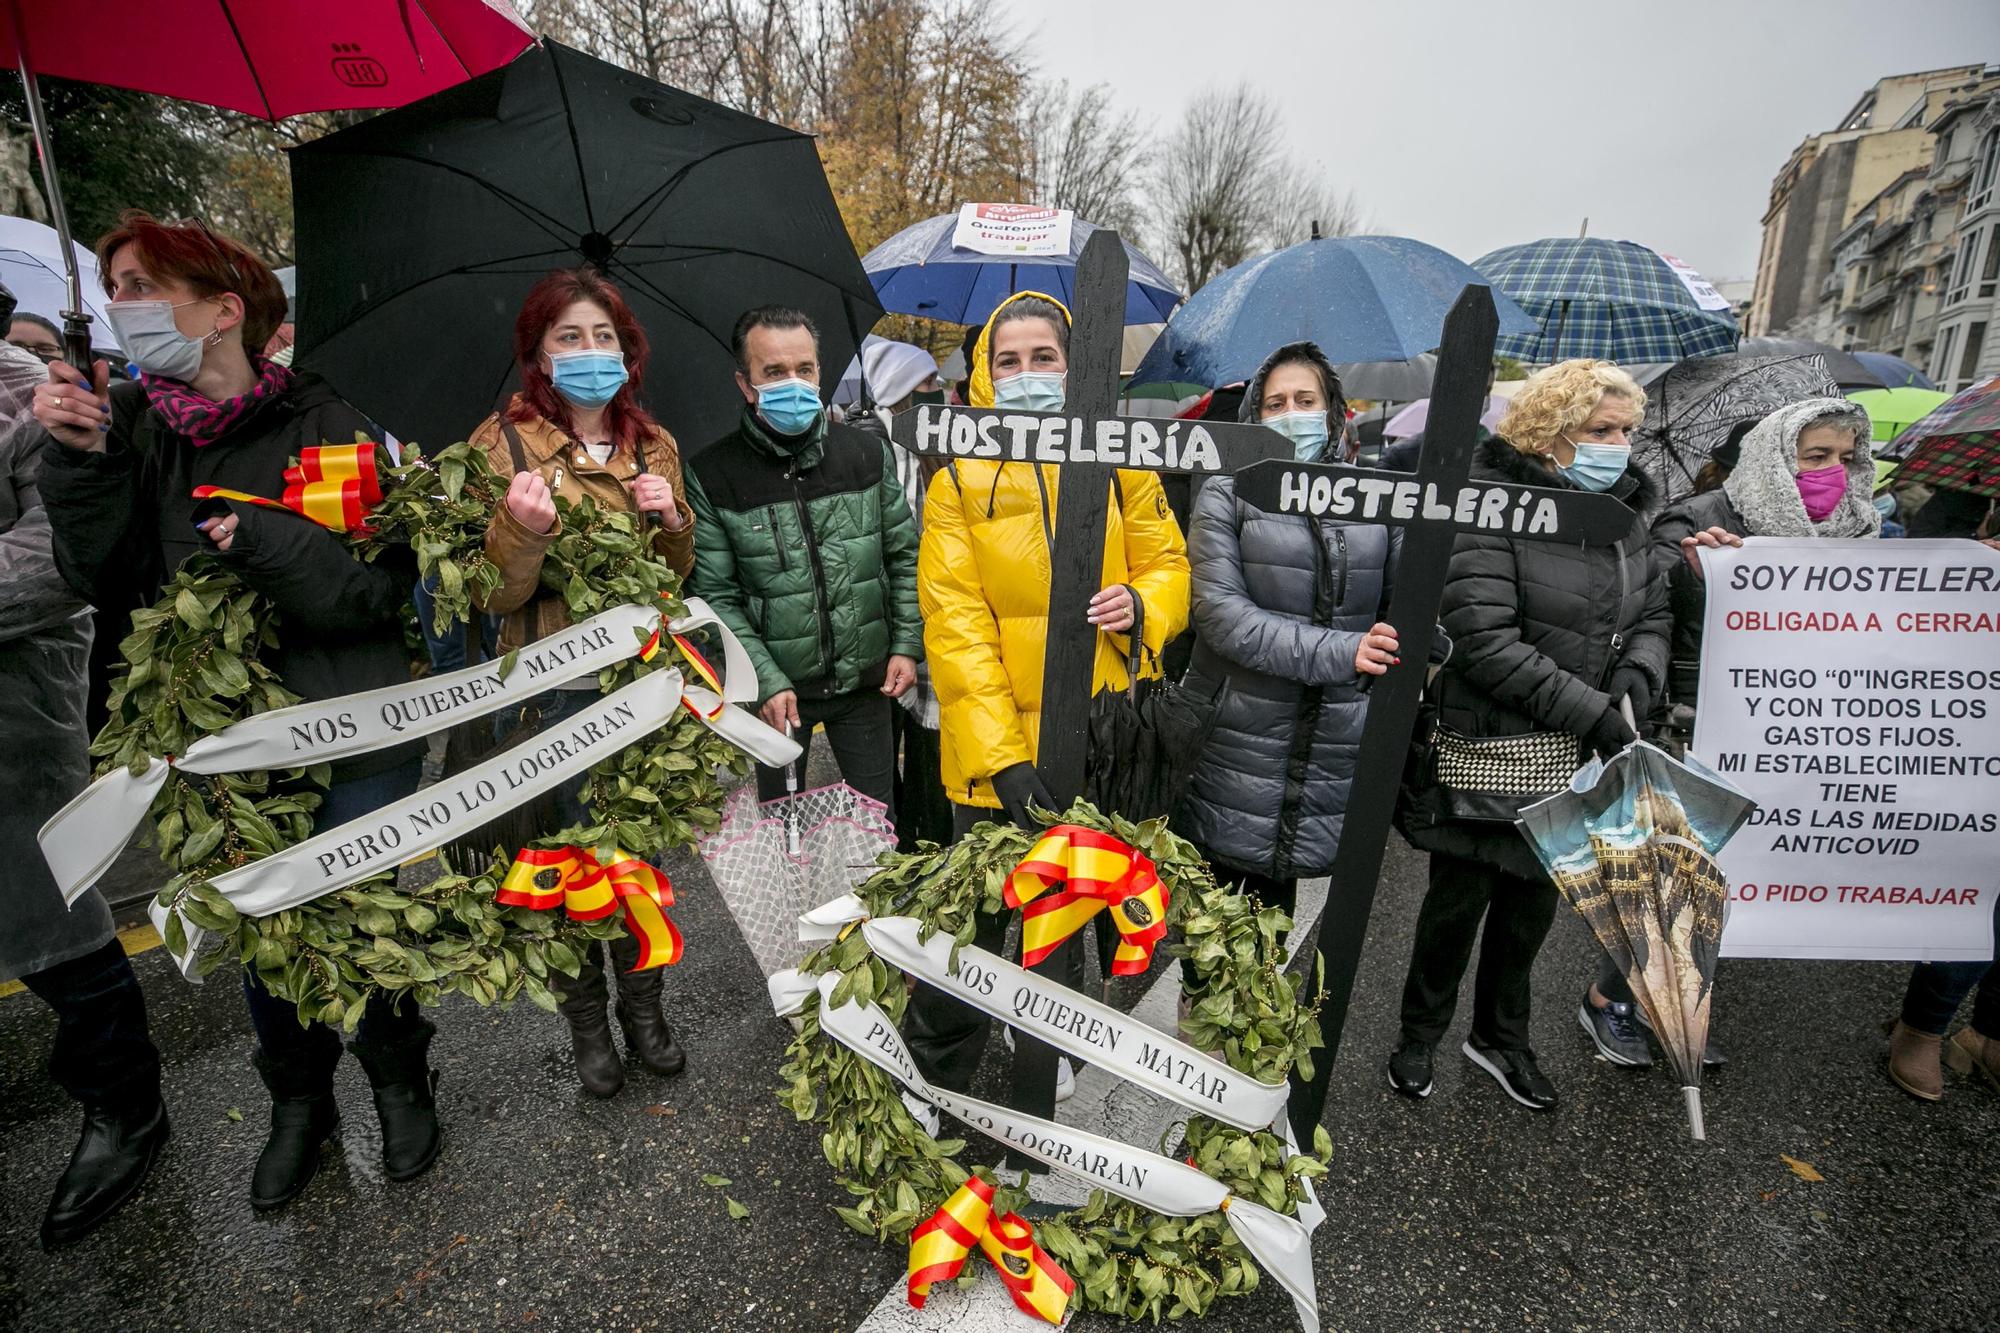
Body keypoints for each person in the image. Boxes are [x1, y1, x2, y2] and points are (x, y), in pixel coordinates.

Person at [32, 212, 438, 1209]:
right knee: (262, 926)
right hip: (215, 748)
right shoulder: (123, 426)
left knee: (350, 911)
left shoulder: (327, 420)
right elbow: (104, 580)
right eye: (114, 284)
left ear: (222, 310)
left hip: (347, 723)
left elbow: (370, 591)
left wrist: (257, 538)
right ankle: (299, 1101)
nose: (117, 304)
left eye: (139, 284)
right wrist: (78, 467)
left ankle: (397, 1073)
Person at [905, 291, 1189, 1110]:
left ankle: (1048, 1037)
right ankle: (935, 1073)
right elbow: (954, 629)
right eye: (1010, 360)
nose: (1028, 374)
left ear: (1074, 367)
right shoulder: (957, 479)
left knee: (1069, 904)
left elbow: (1170, 564)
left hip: (1097, 735)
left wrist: (1145, 604)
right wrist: (1002, 757)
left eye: (1044, 358)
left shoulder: (1121, 459)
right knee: (974, 926)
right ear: (984, 376)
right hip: (994, 760)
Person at [1389, 359, 1669, 1111]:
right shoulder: (1489, 507)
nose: (1620, 444)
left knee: (1531, 912)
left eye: (1627, 430)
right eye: (1601, 430)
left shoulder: (1626, 515)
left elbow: (1653, 615)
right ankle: (1419, 1035)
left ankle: (1502, 1037)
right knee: (1456, 907)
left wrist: (1639, 678)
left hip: (1576, 760)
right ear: (1549, 435)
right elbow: (1483, 637)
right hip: (1492, 747)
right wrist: (1597, 713)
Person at [472, 267, 695, 1099]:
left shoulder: (655, 442)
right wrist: (518, 532)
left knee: (638, 861)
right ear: (538, 352)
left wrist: (671, 519)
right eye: (570, 337)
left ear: (627, 351)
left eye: (605, 337)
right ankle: (589, 1028)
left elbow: (675, 575)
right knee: (566, 867)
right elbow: (491, 594)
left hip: (639, 690)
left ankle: (645, 1013)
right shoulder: (502, 445)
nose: (590, 351)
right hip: (549, 693)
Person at [1, 305, 168, 1250]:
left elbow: (63, 558)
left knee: (50, 907)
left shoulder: (29, 392)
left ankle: (123, 1104)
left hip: (12, 718)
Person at [1174, 342, 1399, 944]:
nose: (1291, 413)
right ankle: (1198, 1036)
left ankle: (1257, 1035)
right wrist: (1344, 652)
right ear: (1255, 416)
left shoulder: (1376, 499)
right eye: (1276, 403)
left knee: (1275, 918)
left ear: (1332, 413)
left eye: (1305, 400)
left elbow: (1408, 607)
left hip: (1331, 739)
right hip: (1237, 735)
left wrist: (1422, 642)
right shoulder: (1227, 492)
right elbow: (1221, 615)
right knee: (1215, 919)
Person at [684, 307, 921, 818]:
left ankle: (876, 902)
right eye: (774, 372)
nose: (793, 383)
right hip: (780, 691)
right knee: (787, 832)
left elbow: (903, 555)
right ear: (746, 384)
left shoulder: (865, 453)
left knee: (878, 828)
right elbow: (715, 594)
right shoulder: (713, 473)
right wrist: (766, 679)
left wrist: (906, 643)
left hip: (866, 682)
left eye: (804, 369)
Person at [845, 337, 953, 851]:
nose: (939, 394)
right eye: (926, 384)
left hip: (940, 633)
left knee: (933, 760)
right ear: (898, 393)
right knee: (879, 768)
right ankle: (891, 857)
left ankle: (928, 852)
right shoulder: (867, 449)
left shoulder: (942, 453)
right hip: (882, 632)